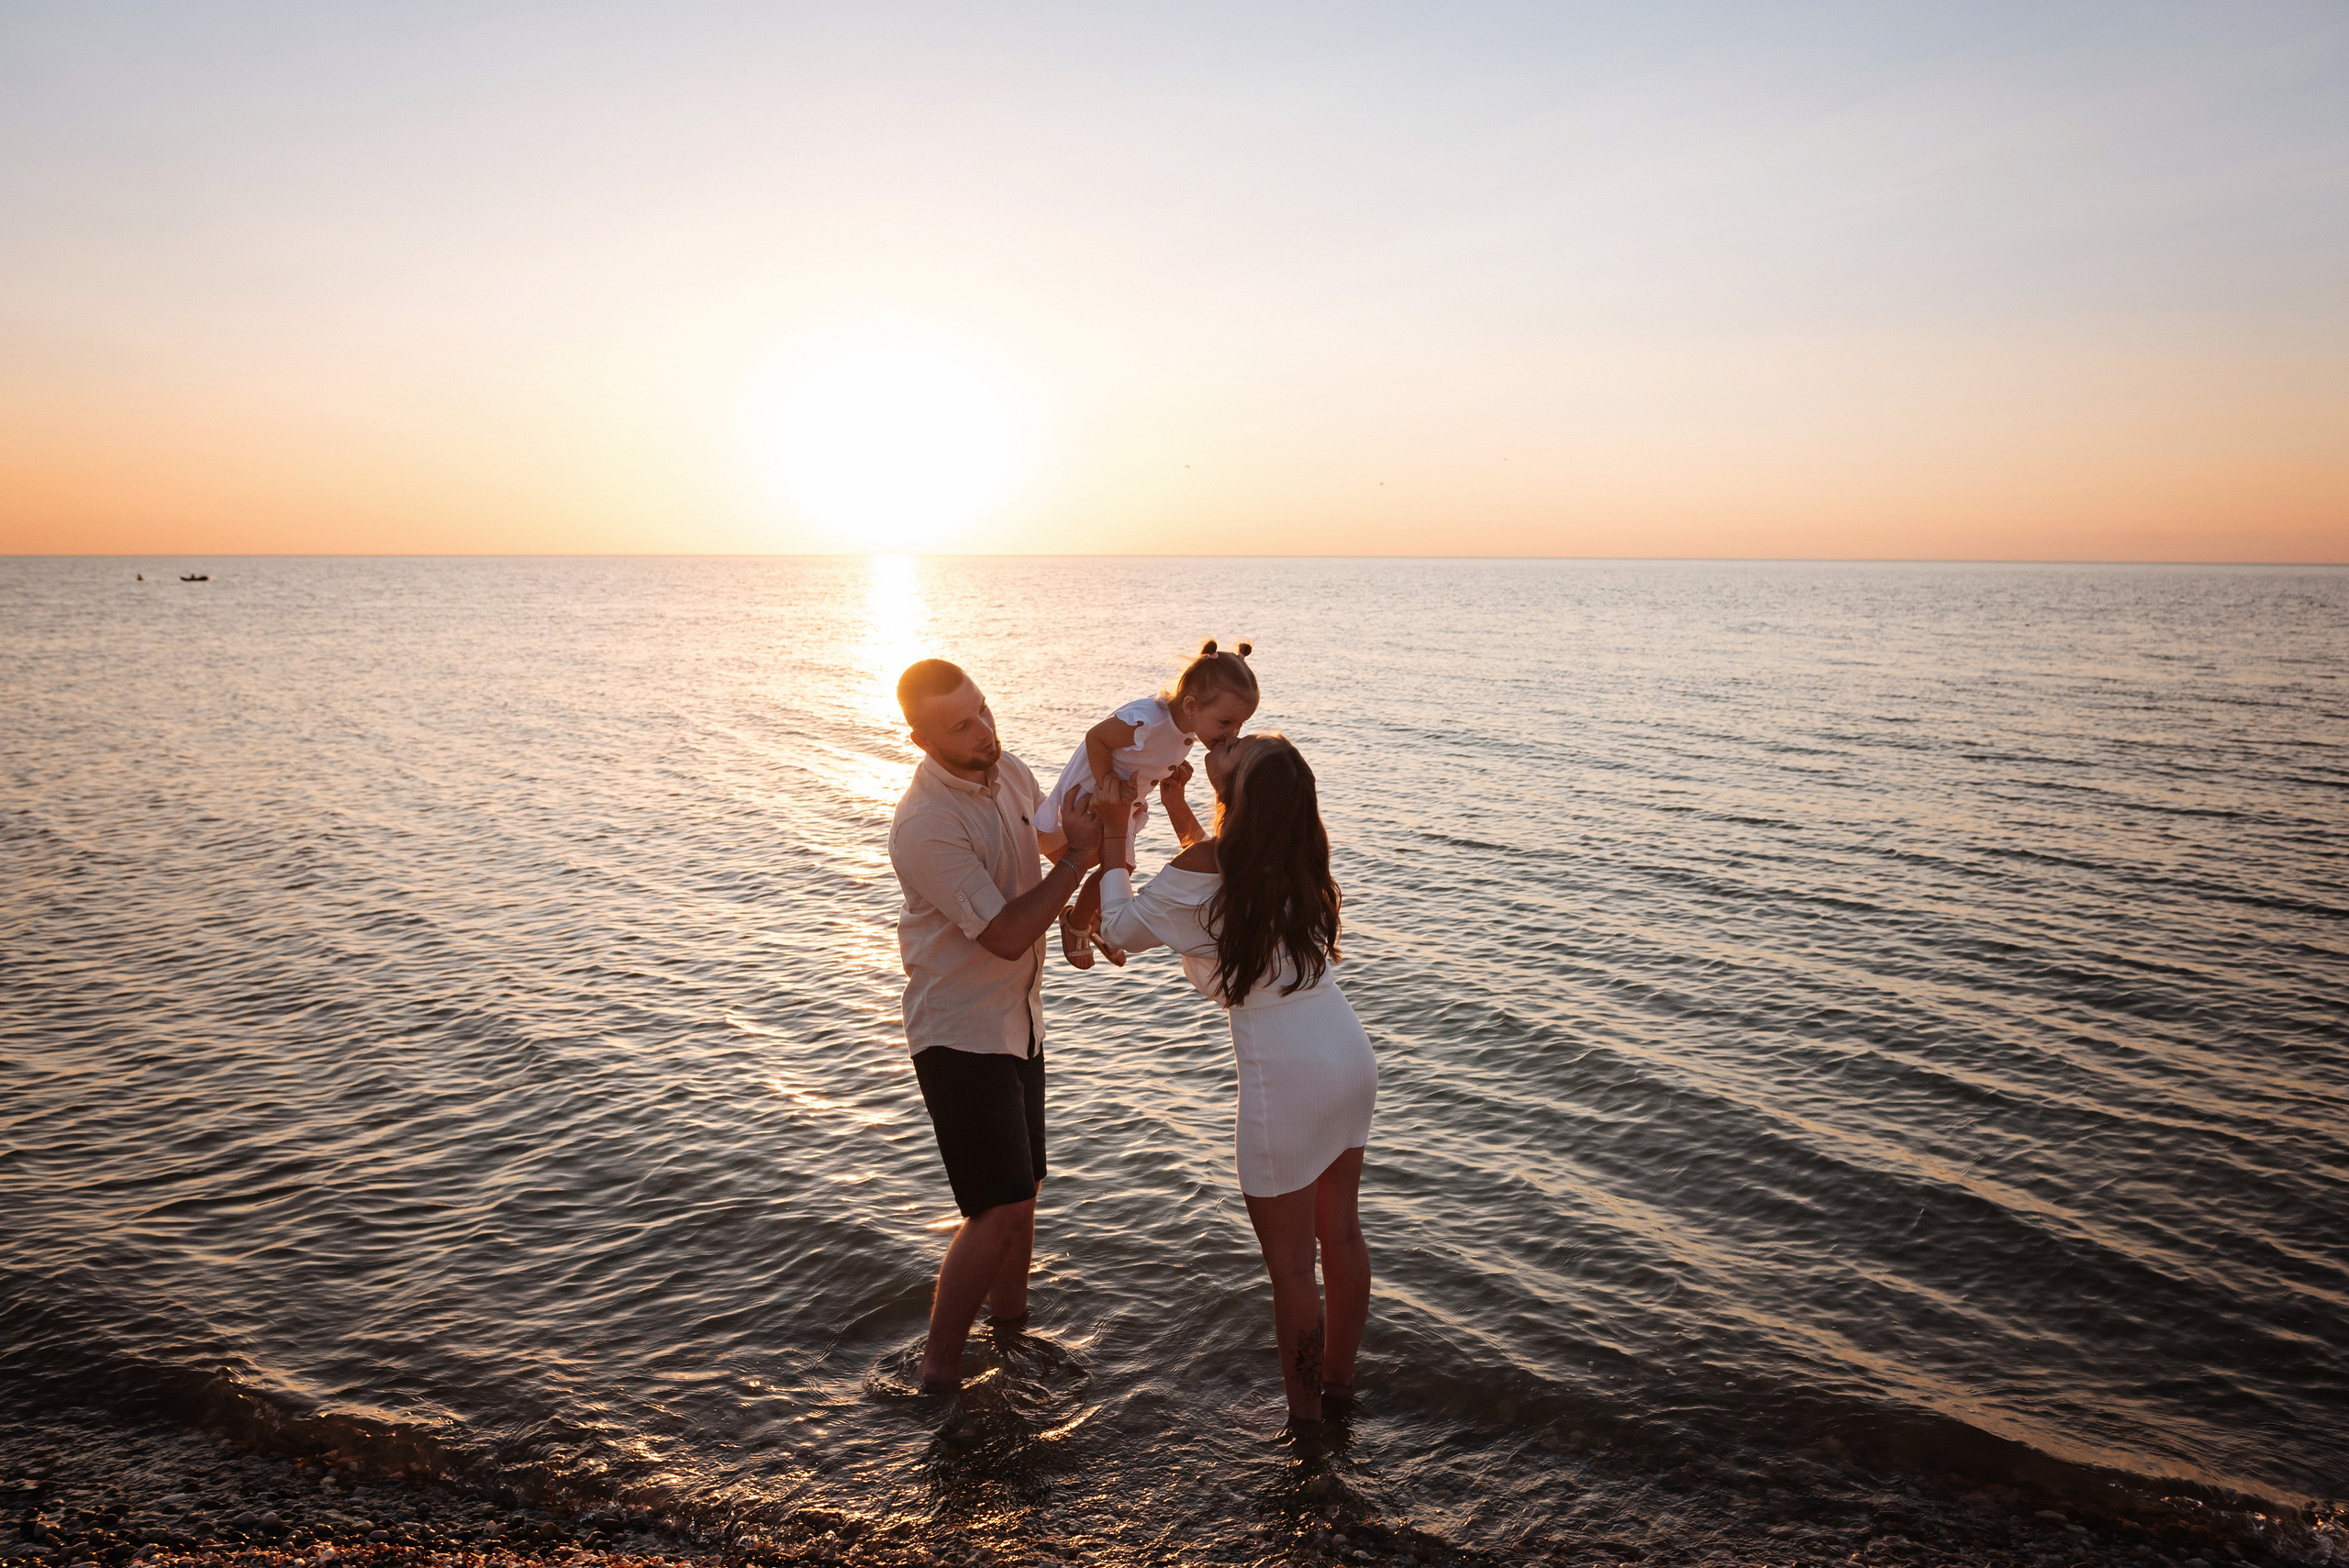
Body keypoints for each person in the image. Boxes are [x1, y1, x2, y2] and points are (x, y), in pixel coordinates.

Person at [1092, 734, 1376, 1426]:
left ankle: (1306, 1429)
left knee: (1292, 1270)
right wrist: (1178, 805)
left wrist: (1114, 835)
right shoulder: (1292, 852)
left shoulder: (1216, 863)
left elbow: (1120, 928)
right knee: (1340, 1235)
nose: (1222, 742)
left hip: (1287, 1076)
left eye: (1233, 750)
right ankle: (1338, 1388)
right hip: (1346, 1053)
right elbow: (1216, 880)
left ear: (1242, 795)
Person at [887, 658, 1107, 1394]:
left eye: (983, 709)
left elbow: (1054, 850)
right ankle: (937, 1371)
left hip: (1019, 1020)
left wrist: (1103, 829)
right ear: (920, 739)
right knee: (997, 1206)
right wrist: (1077, 862)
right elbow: (1007, 934)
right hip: (958, 1031)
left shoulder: (1007, 770)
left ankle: (1011, 1334)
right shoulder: (925, 824)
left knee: (1025, 1191)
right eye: (961, 725)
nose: (984, 730)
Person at [1034, 639, 1260, 969]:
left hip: (1124, 802)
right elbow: (1096, 738)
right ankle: (1078, 922)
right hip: (1096, 792)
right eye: (1226, 723)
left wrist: (1168, 770)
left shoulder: (1189, 728)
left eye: (1240, 725)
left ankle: (1091, 914)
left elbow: (1154, 754)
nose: (1232, 733)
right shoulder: (1147, 720)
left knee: (1115, 865)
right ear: (1191, 705)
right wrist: (1107, 783)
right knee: (1113, 864)